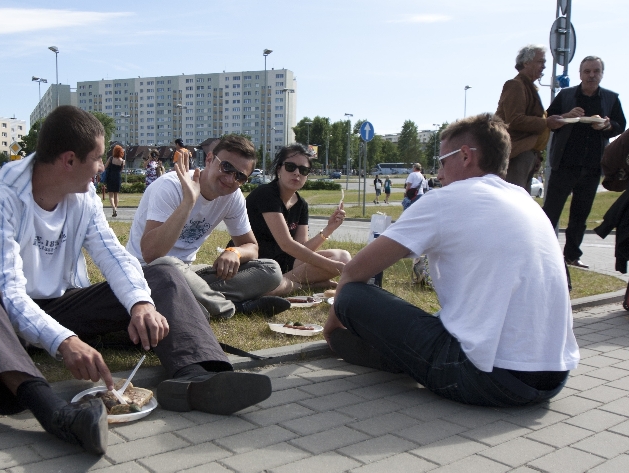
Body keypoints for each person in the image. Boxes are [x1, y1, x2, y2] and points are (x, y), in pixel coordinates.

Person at [0, 106, 272, 455]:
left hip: (58, 307)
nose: (103, 167)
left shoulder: (84, 195)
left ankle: (197, 377)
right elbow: (8, 292)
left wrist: (141, 303)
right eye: (97, 158)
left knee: (163, 272)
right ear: (68, 160)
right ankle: (56, 413)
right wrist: (65, 342)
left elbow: (113, 254)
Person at [324, 113, 579, 407]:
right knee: (436, 321)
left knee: (353, 297)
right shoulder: (524, 200)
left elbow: (356, 270)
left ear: (466, 156)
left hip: (487, 377)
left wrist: (333, 325)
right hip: (554, 377)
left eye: (443, 161)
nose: (440, 173)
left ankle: (381, 352)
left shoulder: (444, 200)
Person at [126, 135, 288, 319]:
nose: (230, 178)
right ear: (210, 159)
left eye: (240, 176)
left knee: (271, 270)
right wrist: (188, 201)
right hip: (148, 273)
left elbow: (251, 247)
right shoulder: (170, 186)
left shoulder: (233, 196)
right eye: (226, 167)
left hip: (188, 274)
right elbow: (151, 254)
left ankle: (194, 303)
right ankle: (232, 308)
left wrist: (234, 252)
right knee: (169, 264)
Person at [543, 56, 626, 269]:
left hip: (592, 166)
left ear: (601, 74)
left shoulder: (610, 98)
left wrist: (607, 125)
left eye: (596, 71)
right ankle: (542, 252)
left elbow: (620, 126)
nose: (591, 75)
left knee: (580, 215)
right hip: (565, 164)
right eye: (587, 71)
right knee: (550, 212)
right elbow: (550, 121)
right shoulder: (567, 95)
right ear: (580, 74)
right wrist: (566, 115)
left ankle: (572, 256)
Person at [244, 144, 351, 296]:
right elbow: (287, 244)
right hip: (257, 263)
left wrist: (329, 229)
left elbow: (302, 249)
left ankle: (284, 285)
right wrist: (335, 267)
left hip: (284, 264)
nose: (297, 173)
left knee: (343, 256)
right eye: (290, 167)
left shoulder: (301, 205)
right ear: (279, 169)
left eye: (303, 170)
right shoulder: (266, 194)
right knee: (337, 263)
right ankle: (287, 286)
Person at [495, 44, 559, 194]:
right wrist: (546, 123)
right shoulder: (515, 85)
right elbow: (515, 120)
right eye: (540, 61)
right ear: (526, 63)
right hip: (517, 154)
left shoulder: (528, 87)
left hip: (528, 154)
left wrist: (536, 154)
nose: (544, 66)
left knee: (520, 198)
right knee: (513, 198)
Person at [105, 144, 124, 217]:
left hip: (110, 177)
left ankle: (113, 208)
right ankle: (116, 208)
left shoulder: (111, 158)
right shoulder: (122, 161)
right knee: (116, 194)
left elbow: (105, 166)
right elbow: (121, 170)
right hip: (117, 177)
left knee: (111, 195)